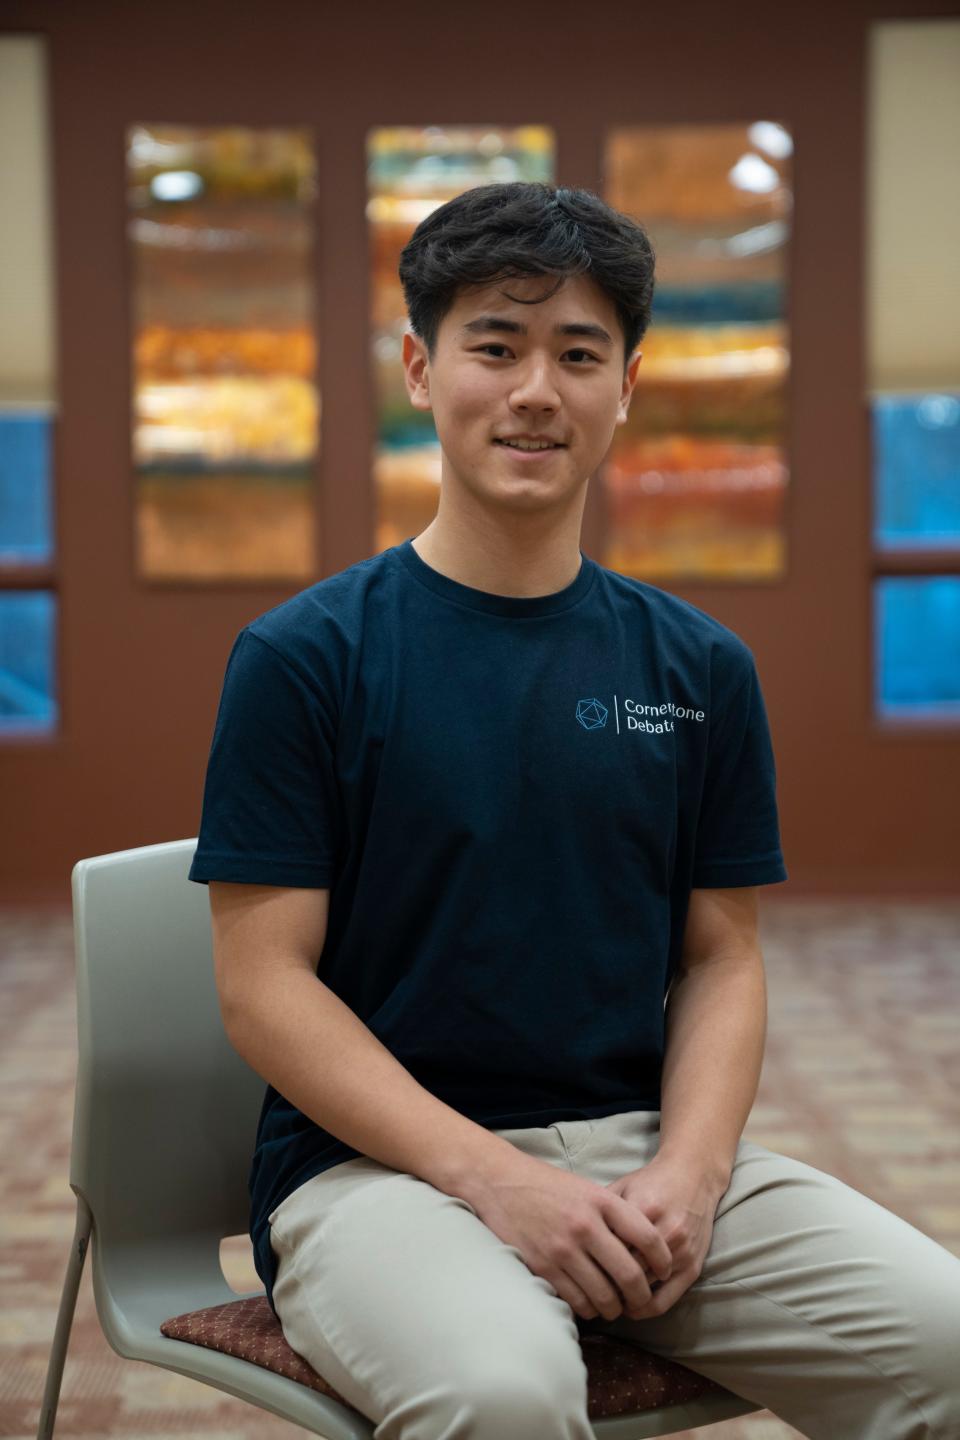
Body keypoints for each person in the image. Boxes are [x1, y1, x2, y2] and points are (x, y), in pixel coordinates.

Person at [188, 182, 960, 1440]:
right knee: (504, 1397)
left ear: (627, 385)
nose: (536, 390)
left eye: (578, 354)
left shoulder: (699, 667)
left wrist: (695, 1176)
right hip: (376, 1176)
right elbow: (261, 985)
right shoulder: (305, 657)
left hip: (640, 1157)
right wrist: (496, 1180)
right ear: (421, 369)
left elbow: (723, 957)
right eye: (495, 345)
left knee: (949, 1340)